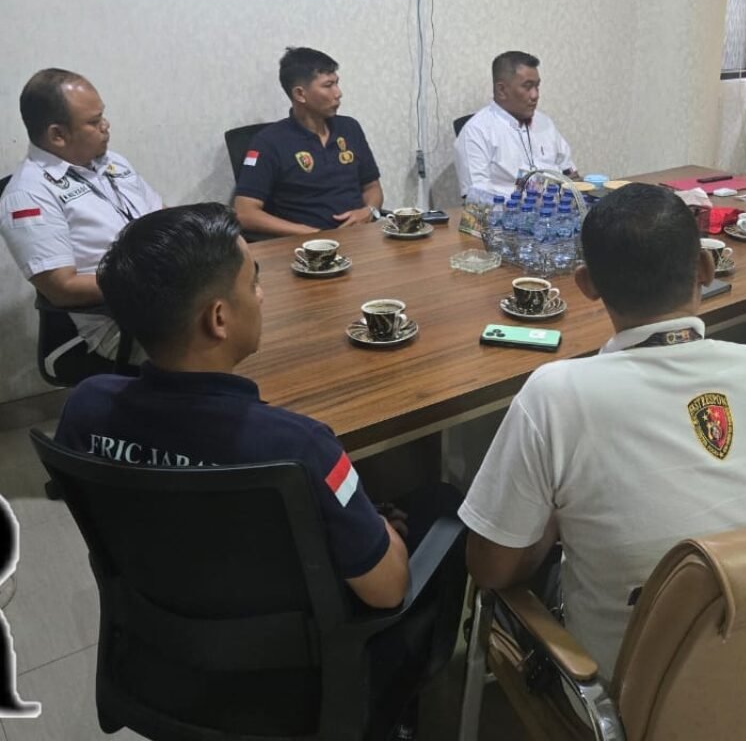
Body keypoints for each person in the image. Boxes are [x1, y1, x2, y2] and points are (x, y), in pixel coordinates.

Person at [53, 204, 461, 738]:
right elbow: (387, 591)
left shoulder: (85, 408)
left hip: (160, 661)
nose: (262, 296)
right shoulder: (299, 445)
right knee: (443, 507)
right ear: (218, 318)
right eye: (254, 283)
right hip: (303, 692)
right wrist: (380, 526)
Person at [459, 183, 746, 679]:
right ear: (706, 268)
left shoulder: (555, 393)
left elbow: (491, 568)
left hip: (632, 697)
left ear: (586, 284)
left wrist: (555, 523)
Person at [0, 69, 162, 381]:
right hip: (116, 324)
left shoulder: (113, 162)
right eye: (94, 121)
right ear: (57, 135)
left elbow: (163, 215)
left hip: (167, 300)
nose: (106, 125)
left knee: (246, 302)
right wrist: (153, 282)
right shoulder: (27, 195)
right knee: (218, 336)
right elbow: (62, 288)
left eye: (103, 116)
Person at [234, 48, 384, 236]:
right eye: (328, 85)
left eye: (337, 83)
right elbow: (245, 213)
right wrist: (310, 233)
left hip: (359, 237)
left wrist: (369, 211)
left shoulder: (350, 128)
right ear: (300, 94)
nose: (338, 93)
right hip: (306, 245)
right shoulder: (269, 142)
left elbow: (372, 187)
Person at [454, 51, 576, 198]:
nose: (535, 95)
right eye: (527, 86)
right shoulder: (476, 131)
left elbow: (570, 173)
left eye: (537, 86)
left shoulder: (545, 123)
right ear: (502, 90)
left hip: (560, 207)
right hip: (510, 210)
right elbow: (476, 198)